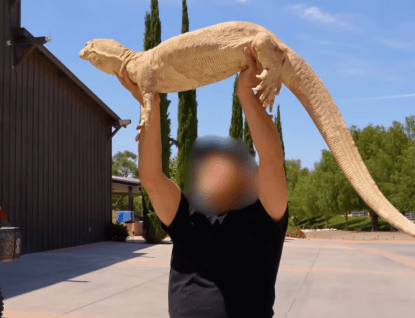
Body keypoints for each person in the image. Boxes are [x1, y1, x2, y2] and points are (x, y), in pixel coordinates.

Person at [115, 45, 289, 317]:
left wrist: (245, 93)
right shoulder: (188, 217)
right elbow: (151, 178)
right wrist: (149, 102)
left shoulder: (266, 216)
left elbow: (272, 160)